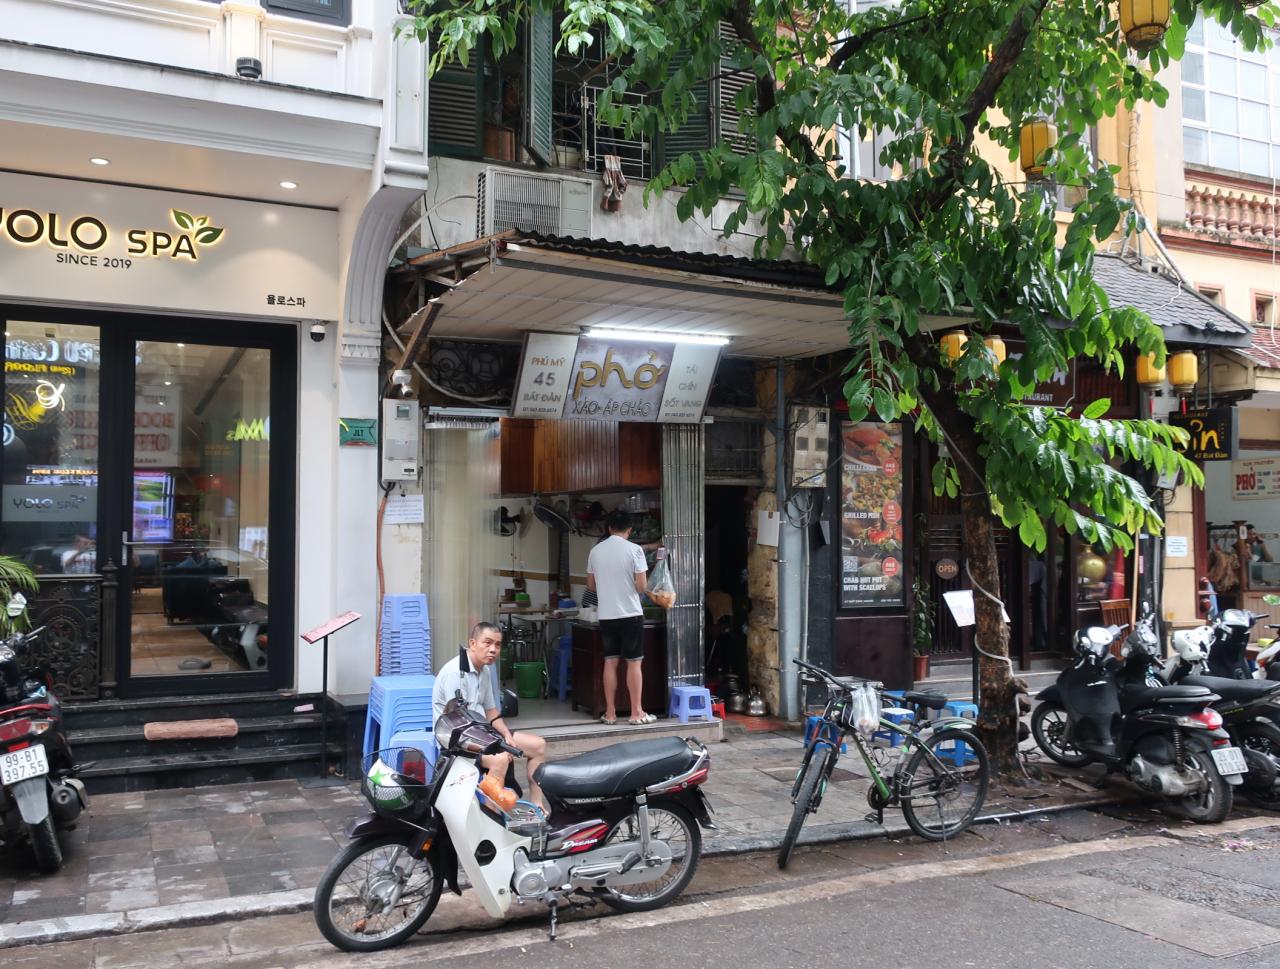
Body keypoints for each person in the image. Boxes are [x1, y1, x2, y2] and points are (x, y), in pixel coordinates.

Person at [432, 622, 548, 808]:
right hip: (458, 743)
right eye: (487, 643)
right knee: (500, 760)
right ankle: (493, 815)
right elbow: (455, 726)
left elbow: (491, 712)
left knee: (538, 746)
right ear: (473, 643)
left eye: (497, 645)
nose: (493, 649)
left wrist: (507, 737)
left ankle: (537, 805)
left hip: (484, 734)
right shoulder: (455, 673)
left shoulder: (484, 670)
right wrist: (497, 750)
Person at [587, 508, 654, 725]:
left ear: (609, 528)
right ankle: (636, 713)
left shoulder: (595, 551)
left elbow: (591, 586)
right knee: (634, 663)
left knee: (610, 661)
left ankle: (610, 713)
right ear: (629, 529)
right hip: (631, 614)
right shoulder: (635, 550)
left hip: (607, 615)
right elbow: (642, 586)